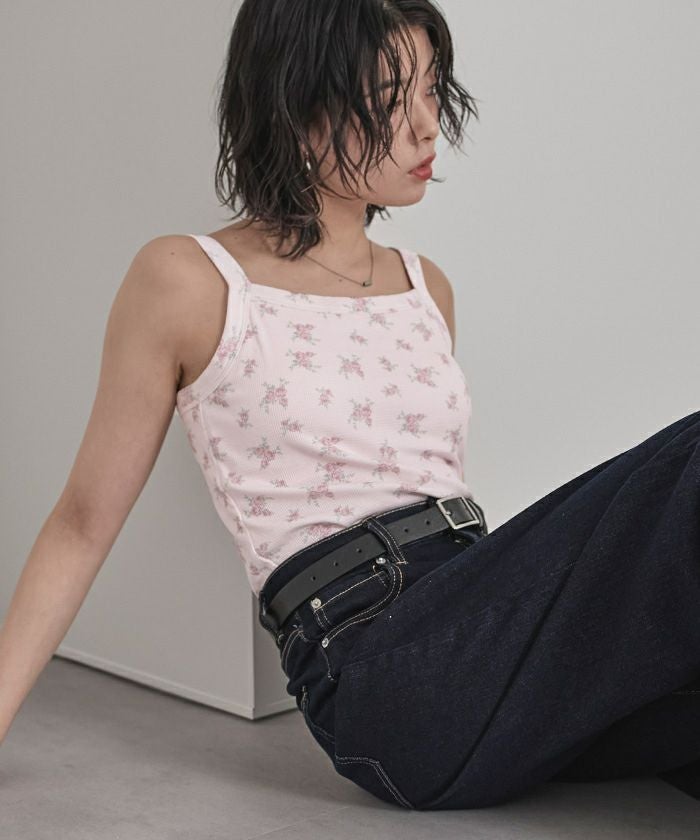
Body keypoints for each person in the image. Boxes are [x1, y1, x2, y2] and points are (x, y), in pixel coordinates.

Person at [1, 0, 699, 813]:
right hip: (376, 664)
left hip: (475, 623)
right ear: (297, 104)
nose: (427, 126)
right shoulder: (189, 280)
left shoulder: (424, 287)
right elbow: (82, 523)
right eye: (390, 98)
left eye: (432, 89)